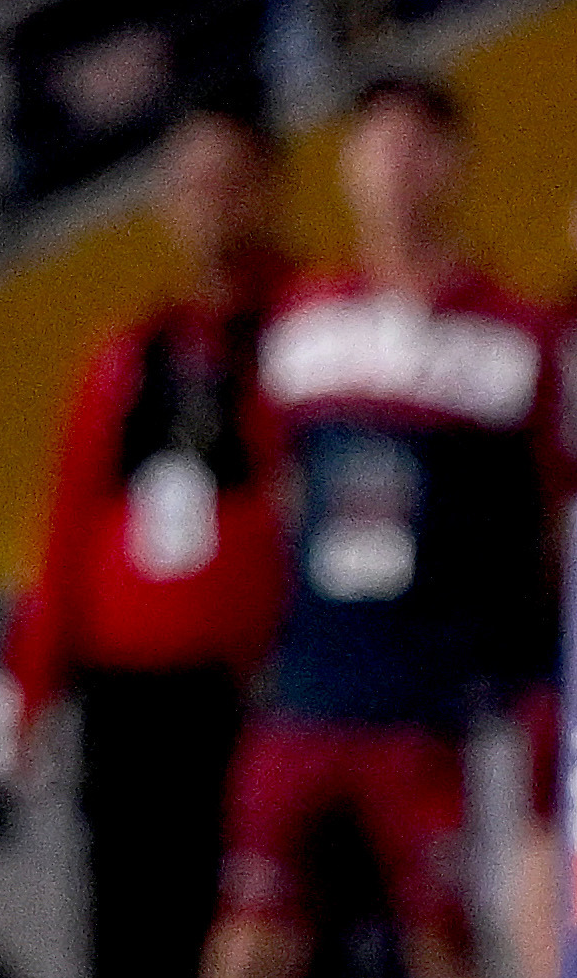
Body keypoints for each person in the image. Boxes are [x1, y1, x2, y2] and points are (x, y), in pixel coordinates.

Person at [204, 75, 560, 978]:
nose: (398, 171)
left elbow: (544, 522)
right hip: (309, 688)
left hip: (438, 703)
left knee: (445, 938)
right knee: (252, 934)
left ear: (453, 165)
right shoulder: (302, 326)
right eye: (380, 148)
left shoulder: (513, 340)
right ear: (350, 165)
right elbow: (277, 493)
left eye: (418, 148)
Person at [4, 107, 288, 978]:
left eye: (230, 182)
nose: (211, 204)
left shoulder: (308, 336)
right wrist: (34, 684)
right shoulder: (130, 355)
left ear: (272, 188)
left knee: (252, 926)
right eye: (192, 184)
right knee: (129, 927)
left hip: (255, 700)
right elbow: (67, 526)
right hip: (126, 707)